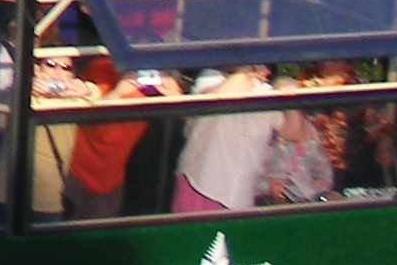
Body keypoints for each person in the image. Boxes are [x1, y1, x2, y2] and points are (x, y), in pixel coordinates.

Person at [61, 57, 179, 220]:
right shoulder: (101, 67)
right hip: (75, 172)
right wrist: (118, 92)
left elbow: (189, 123)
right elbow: (88, 117)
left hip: (112, 179)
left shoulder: (159, 83)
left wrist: (176, 96)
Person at [172, 65, 281, 216]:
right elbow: (213, 102)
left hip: (240, 197)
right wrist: (244, 72)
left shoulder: (268, 93)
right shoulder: (210, 78)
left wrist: (288, 87)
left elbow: (293, 132)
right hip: (200, 186)